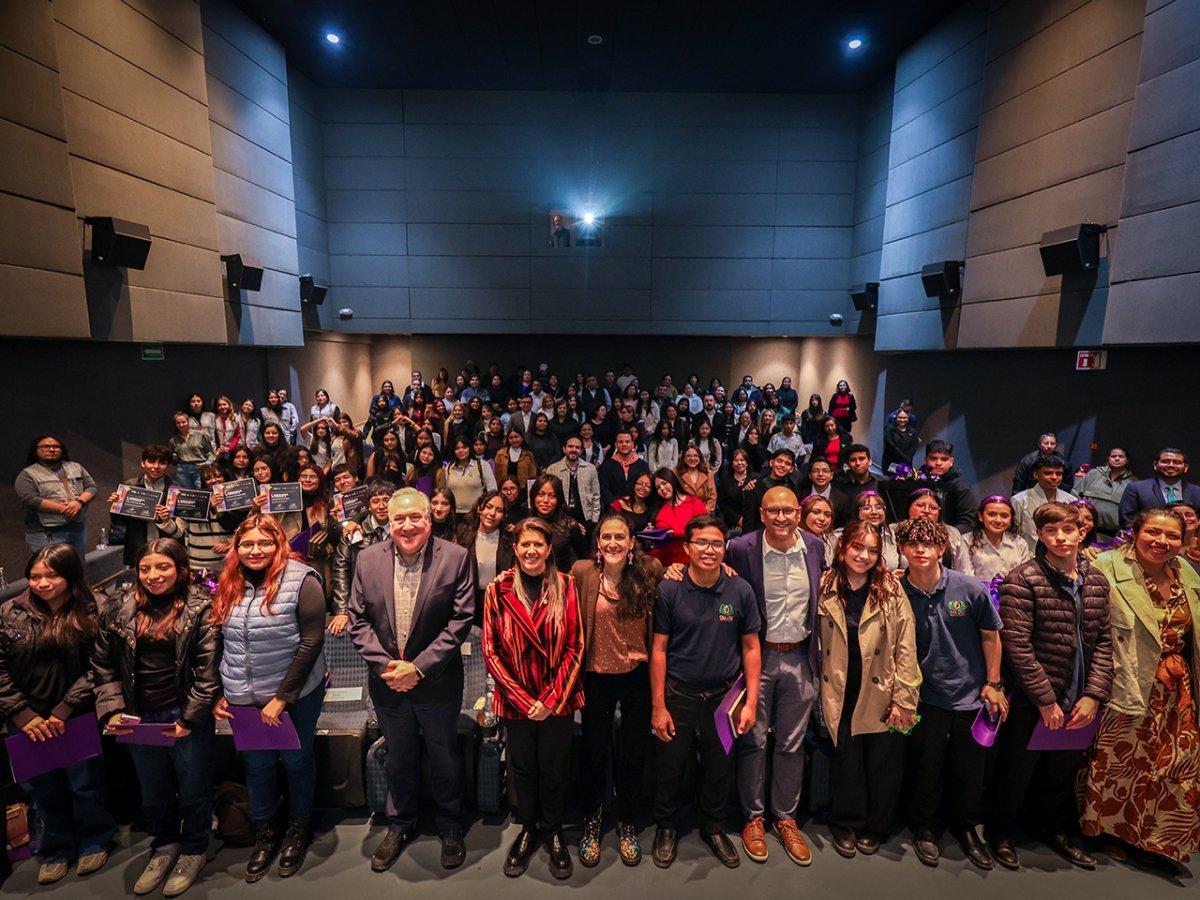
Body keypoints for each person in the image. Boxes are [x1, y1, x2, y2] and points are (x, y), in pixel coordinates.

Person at [345, 488, 475, 872]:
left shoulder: (455, 557)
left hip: (436, 683)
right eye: (399, 519)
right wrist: (389, 669)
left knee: (444, 756)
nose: (407, 525)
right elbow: (357, 619)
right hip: (387, 684)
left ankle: (450, 824)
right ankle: (401, 822)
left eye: (414, 517)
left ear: (429, 519)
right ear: (388, 521)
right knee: (398, 758)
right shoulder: (367, 559)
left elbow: (460, 620)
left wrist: (417, 668)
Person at [986, 502, 1113, 871]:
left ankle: (1054, 830)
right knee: (1016, 769)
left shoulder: (1097, 581)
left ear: (1081, 533)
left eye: (1068, 531)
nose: (1061, 538)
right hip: (1033, 697)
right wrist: (1044, 700)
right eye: (1051, 531)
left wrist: (1094, 695)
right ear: (1039, 535)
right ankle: (999, 833)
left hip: (1079, 695)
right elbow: (1018, 648)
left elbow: (1105, 641)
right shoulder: (1022, 579)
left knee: (1062, 770)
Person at [93, 538, 220, 896]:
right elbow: (102, 665)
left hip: (183, 716)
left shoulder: (201, 607)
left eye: (162, 567)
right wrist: (113, 709)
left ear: (180, 569)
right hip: (138, 718)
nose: (153, 575)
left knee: (194, 789)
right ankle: (165, 845)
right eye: (146, 568)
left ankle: (195, 847)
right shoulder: (119, 605)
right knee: (153, 791)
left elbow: (208, 673)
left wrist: (190, 718)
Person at [212, 515, 327, 883]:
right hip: (242, 696)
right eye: (247, 544)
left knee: (297, 761)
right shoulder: (228, 579)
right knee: (257, 766)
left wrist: (282, 697)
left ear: (279, 544)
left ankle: (297, 827)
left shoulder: (302, 579)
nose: (255, 550)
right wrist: (219, 689)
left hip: (294, 695)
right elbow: (218, 638)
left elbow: (311, 642)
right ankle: (264, 832)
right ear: (237, 546)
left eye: (264, 543)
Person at [1083, 508, 1200, 870]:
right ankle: (1109, 833)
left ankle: (1154, 836)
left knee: (1173, 763)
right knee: (1118, 762)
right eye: (1153, 532)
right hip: (1126, 681)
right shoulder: (1104, 567)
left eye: (1172, 536)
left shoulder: (1188, 573)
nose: (1162, 542)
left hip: (1174, 690)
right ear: (1135, 532)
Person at [0, 545, 116, 885]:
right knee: (42, 788)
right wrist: (22, 715)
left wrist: (64, 710)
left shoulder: (94, 608)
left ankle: (95, 839)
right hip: (25, 720)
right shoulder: (9, 612)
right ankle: (56, 847)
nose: (42, 583)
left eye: (52, 575)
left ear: (70, 575)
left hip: (75, 715)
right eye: (35, 576)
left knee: (85, 785)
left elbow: (100, 666)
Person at [895, 518, 1006, 871]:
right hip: (923, 696)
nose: (921, 550)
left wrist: (994, 683)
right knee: (926, 765)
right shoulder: (895, 591)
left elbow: (991, 635)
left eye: (929, 544)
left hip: (969, 695)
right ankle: (925, 827)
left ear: (942, 549)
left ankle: (965, 827)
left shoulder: (969, 589)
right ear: (902, 549)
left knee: (969, 769)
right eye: (913, 544)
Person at [651, 515, 761, 869]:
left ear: (725, 547)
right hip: (678, 695)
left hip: (724, 699)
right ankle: (666, 827)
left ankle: (713, 827)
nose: (709, 550)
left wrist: (751, 703)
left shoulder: (740, 590)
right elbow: (659, 650)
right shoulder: (669, 589)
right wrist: (658, 706)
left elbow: (751, 649)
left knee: (719, 769)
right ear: (686, 548)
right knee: (670, 767)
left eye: (716, 543)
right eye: (701, 543)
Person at [726, 487, 825, 867]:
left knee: (792, 743)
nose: (781, 518)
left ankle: (785, 818)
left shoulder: (814, 548)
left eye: (788, 511)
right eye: (773, 511)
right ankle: (753, 818)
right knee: (752, 739)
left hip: (800, 656)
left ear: (798, 514)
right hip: (757, 658)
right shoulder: (742, 549)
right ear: (762, 514)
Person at [483, 517, 585, 879]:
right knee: (522, 768)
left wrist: (552, 699)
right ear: (516, 548)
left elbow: (576, 646)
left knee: (555, 766)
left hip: (557, 699)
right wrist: (525, 700)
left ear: (548, 548)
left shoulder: (567, 586)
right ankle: (527, 828)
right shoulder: (497, 590)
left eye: (537, 545)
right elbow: (491, 650)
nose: (530, 550)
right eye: (524, 544)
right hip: (517, 700)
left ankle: (553, 830)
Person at [817, 521, 920, 859]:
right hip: (840, 684)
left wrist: (904, 700)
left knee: (883, 760)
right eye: (857, 547)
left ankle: (877, 826)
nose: (863, 555)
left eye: (872, 550)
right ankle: (846, 823)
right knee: (846, 756)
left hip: (882, 685)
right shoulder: (825, 584)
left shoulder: (890, 588)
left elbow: (906, 645)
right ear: (842, 548)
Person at [573, 512, 663, 867]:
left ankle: (627, 821)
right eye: (606, 537)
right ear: (598, 542)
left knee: (632, 754)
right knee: (594, 753)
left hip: (637, 675)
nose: (612, 543)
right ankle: (592, 820)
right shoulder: (582, 573)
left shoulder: (650, 570)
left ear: (631, 543)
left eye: (619, 537)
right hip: (595, 676)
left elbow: (680, 577)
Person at [330, 480, 394, 636]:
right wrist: (342, 610)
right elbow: (341, 571)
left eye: (386, 500)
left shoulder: (402, 531)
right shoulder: (353, 531)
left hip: (395, 603)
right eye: (375, 501)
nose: (381, 506)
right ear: (369, 505)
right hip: (361, 604)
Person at [16, 435, 97, 555]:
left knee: (76, 568)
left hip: (77, 529)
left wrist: (79, 503)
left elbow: (91, 487)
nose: (51, 449)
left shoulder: (75, 467)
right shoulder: (28, 474)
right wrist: (66, 509)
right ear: (36, 450)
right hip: (45, 533)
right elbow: (30, 499)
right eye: (45, 446)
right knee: (51, 569)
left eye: (55, 446)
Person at [159, 464, 243, 575]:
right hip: (196, 565)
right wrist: (167, 521)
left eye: (218, 476)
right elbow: (181, 533)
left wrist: (230, 542)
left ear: (226, 477)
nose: (213, 481)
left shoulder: (236, 501)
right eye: (208, 478)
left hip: (226, 566)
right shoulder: (194, 500)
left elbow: (243, 531)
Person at [108, 443, 174, 566]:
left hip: (167, 544)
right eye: (151, 461)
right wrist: (115, 507)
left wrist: (167, 518)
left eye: (162, 463)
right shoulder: (129, 486)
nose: (156, 467)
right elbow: (119, 522)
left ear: (168, 466)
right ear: (143, 463)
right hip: (138, 544)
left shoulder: (175, 489)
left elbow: (182, 524)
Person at [896, 488, 974, 575]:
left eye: (933, 507)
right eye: (920, 505)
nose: (926, 511)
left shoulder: (952, 533)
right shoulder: (893, 531)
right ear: (908, 508)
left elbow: (965, 571)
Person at [455, 490, 512, 607]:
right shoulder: (463, 537)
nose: (492, 513)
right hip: (470, 602)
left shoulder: (509, 540)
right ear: (479, 508)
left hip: (501, 602)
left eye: (499, 510)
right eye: (488, 507)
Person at [1118, 447, 1200, 527]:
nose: (1171, 465)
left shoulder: (1197, 492)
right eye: (1165, 462)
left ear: (1186, 468)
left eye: (1177, 462)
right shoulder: (1136, 488)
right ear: (1155, 465)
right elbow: (1127, 520)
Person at [1012, 454, 1077, 548]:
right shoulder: (1019, 501)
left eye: (1058, 473)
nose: (1054, 477)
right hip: (1029, 557)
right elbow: (1014, 535)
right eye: (1048, 473)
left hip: (1061, 554)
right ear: (1036, 475)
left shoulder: (1071, 500)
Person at [647, 469, 709, 567]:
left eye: (664, 483)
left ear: (672, 481)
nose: (662, 489)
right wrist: (651, 534)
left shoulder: (694, 503)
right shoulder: (657, 508)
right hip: (663, 561)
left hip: (691, 560)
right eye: (658, 487)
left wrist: (675, 533)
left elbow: (706, 531)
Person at [967, 496, 1032, 583]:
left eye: (1004, 516)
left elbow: (1026, 575)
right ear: (980, 516)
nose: (998, 520)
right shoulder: (967, 541)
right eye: (992, 514)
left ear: (1011, 519)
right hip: (978, 594)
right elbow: (965, 576)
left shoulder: (1019, 542)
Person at [1072, 447, 1134, 538]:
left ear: (1127, 460)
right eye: (1113, 456)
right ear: (1108, 458)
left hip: (1112, 535)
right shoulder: (1093, 474)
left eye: (1121, 456)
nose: (1117, 458)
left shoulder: (1133, 483)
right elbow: (1075, 496)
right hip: (1084, 529)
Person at [545, 436, 602, 531]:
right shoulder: (552, 469)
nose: (573, 450)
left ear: (581, 451)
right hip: (560, 520)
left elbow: (596, 495)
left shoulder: (590, 469)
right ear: (564, 449)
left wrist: (594, 520)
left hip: (586, 518)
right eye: (570, 446)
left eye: (577, 447)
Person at [921, 440, 977, 533]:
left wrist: (945, 536)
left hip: (950, 541)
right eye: (933, 458)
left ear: (951, 461)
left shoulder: (960, 487)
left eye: (944, 459)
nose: (938, 463)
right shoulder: (916, 483)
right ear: (925, 460)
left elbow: (968, 522)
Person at [845, 491, 901, 571]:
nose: (874, 512)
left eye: (879, 507)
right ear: (857, 512)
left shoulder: (892, 536)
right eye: (867, 508)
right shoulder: (844, 536)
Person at [441, 436, 497, 514]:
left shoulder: (482, 465)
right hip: (454, 514)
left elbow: (492, 489)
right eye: (457, 448)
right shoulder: (448, 468)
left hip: (476, 514)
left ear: (470, 448)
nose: (461, 451)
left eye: (464, 447)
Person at [599, 431, 651, 509]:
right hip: (614, 510)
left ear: (633, 444)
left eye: (627, 442)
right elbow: (604, 489)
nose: (624, 444)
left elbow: (647, 486)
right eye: (620, 442)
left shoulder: (643, 465)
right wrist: (617, 504)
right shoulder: (607, 466)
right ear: (616, 444)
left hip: (638, 508)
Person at [832, 444, 881, 517]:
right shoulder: (838, 484)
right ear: (848, 464)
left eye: (862, 459)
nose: (857, 463)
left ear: (870, 461)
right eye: (853, 460)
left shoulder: (882, 482)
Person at [169, 413, 215, 490]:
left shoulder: (200, 435)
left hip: (199, 467)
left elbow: (210, 452)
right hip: (182, 469)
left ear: (188, 422)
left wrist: (207, 463)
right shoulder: (173, 440)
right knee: (186, 492)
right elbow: (173, 457)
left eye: (183, 422)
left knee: (201, 491)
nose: (181, 425)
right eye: (178, 423)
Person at [717, 448, 753, 532]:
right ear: (732, 464)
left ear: (747, 463)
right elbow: (722, 503)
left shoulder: (755, 479)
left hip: (752, 522)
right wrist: (738, 519)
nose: (739, 463)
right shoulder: (725, 480)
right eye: (736, 460)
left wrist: (746, 520)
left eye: (742, 460)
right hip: (730, 522)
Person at [675, 445, 716, 513]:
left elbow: (712, 496)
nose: (692, 458)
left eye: (696, 456)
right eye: (688, 456)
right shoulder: (676, 473)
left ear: (700, 458)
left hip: (704, 513)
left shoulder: (709, 474)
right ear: (684, 458)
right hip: (683, 512)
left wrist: (704, 511)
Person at [799, 494, 838, 564]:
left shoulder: (830, 540)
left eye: (827, 515)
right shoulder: (793, 539)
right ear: (803, 512)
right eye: (816, 512)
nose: (822, 518)